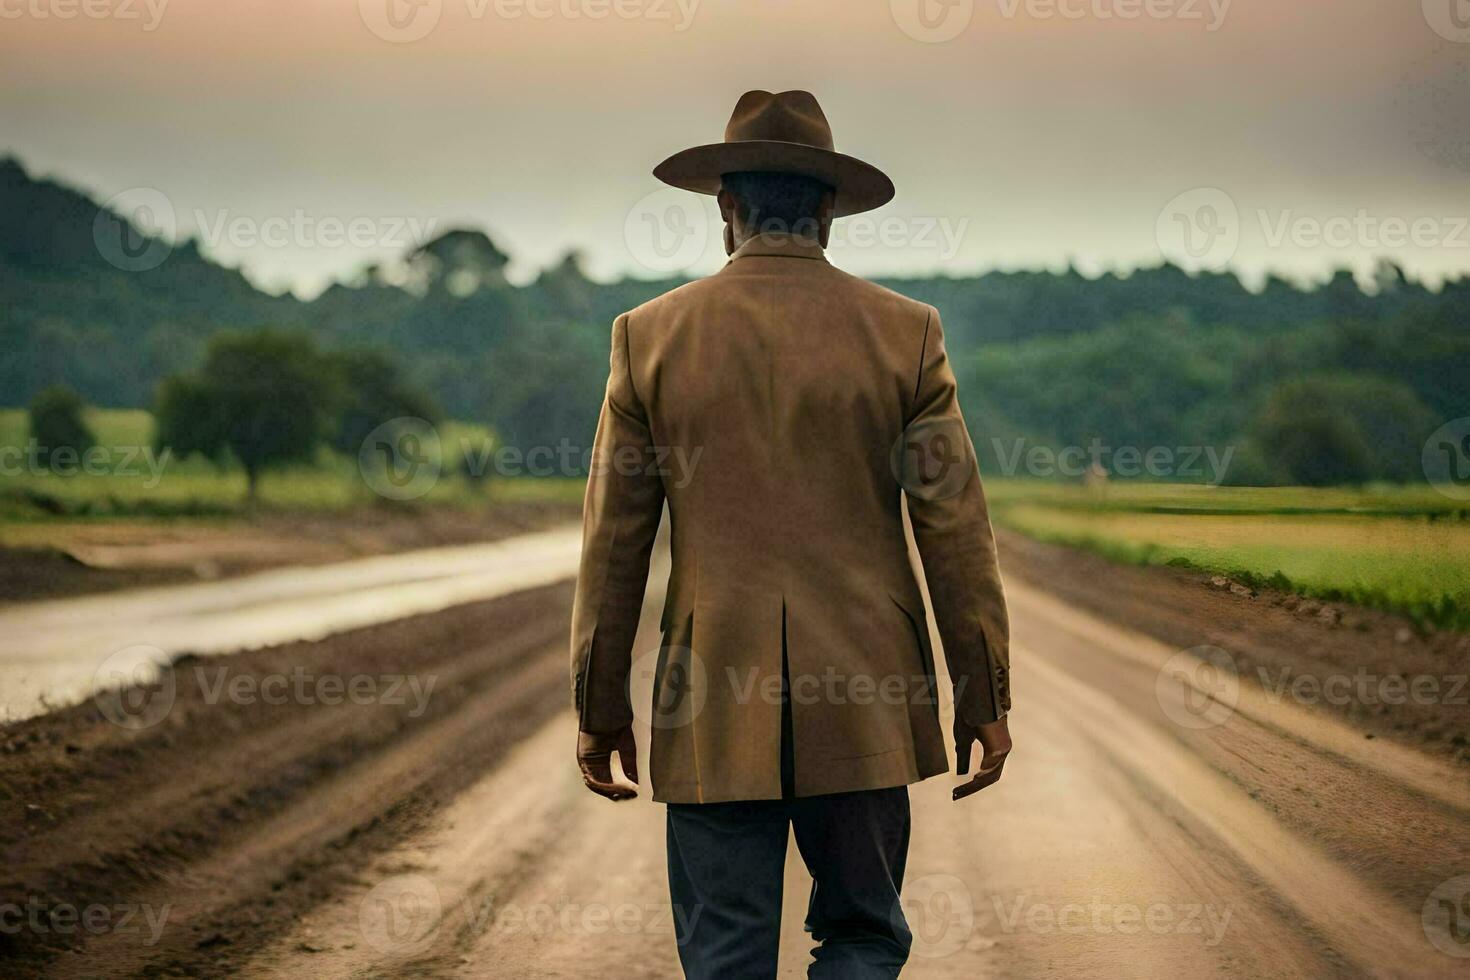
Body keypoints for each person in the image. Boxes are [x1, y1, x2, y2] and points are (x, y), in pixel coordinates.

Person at [570, 89, 1012, 979]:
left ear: (726, 210)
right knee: (860, 934)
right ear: (826, 213)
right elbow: (954, 532)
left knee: (724, 951)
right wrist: (984, 693)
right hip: (866, 689)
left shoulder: (645, 339)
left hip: (708, 700)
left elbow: (616, 545)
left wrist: (600, 707)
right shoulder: (907, 336)